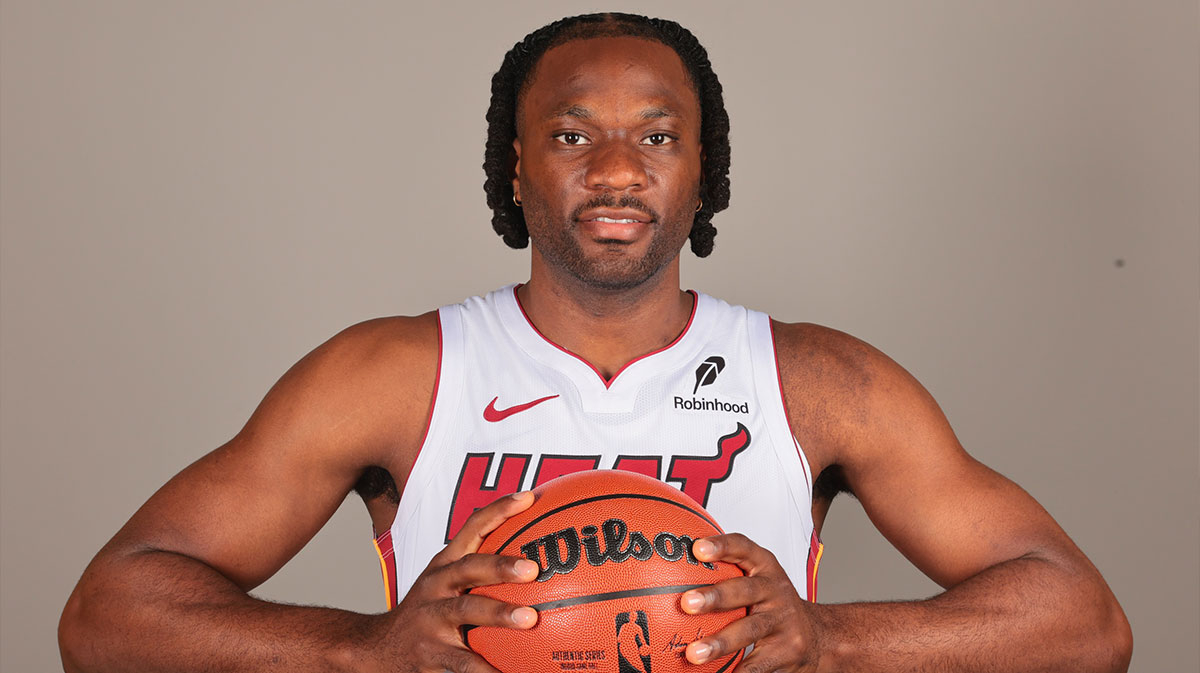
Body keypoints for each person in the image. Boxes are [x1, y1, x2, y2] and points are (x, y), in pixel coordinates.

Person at [58, 12, 1132, 673]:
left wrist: (832, 639)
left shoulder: (818, 382)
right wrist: (357, 651)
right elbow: (109, 616)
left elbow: (1082, 623)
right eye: (573, 134)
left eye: (657, 136)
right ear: (513, 167)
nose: (617, 168)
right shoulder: (392, 375)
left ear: (702, 171)